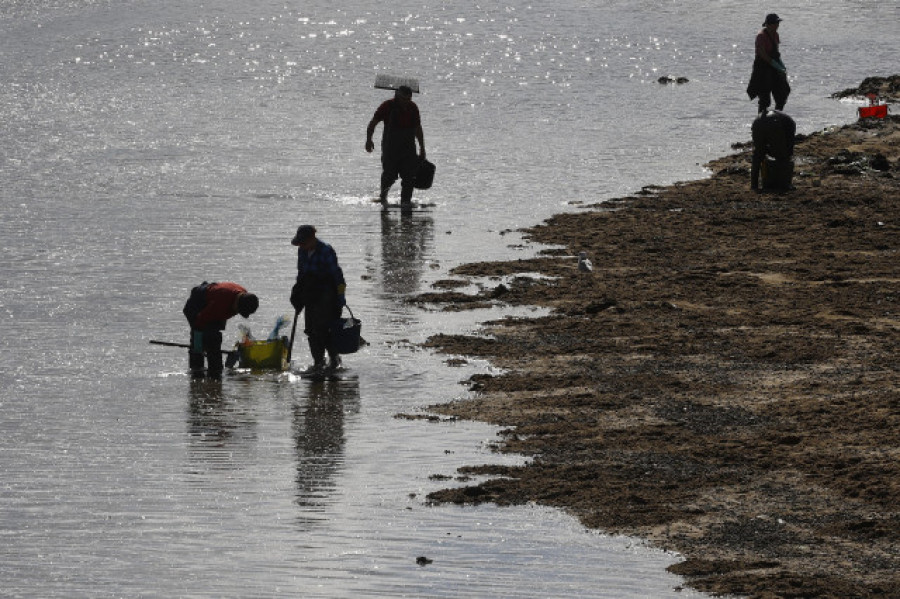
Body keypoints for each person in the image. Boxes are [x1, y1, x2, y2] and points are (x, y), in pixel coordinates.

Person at [289, 225, 346, 374]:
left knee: (323, 329)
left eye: (304, 243)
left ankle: (334, 360)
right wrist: (297, 293)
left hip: (327, 294)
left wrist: (341, 297)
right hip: (310, 293)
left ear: (312, 238)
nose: (301, 246)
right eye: (300, 243)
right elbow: (301, 274)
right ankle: (318, 363)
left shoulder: (326, 250)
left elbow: (337, 275)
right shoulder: (302, 250)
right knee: (310, 330)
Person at [365, 85, 426, 206]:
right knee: (389, 175)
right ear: (397, 96)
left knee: (409, 177)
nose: (406, 102)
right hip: (390, 148)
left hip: (408, 149)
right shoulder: (387, 106)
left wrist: (422, 148)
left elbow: (418, 129)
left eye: (409, 99)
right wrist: (368, 140)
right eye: (404, 99)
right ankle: (383, 199)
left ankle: (406, 202)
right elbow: (373, 123)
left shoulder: (413, 108)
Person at [183, 281, 258, 377]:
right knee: (201, 342)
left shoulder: (245, 297)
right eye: (239, 311)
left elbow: (221, 319)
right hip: (197, 302)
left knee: (214, 340)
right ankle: (197, 372)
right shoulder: (219, 303)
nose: (237, 313)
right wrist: (198, 344)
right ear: (237, 304)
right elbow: (199, 322)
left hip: (215, 297)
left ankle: (215, 372)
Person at [746, 13, 790, 115]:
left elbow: (776, 52)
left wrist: (781, 67)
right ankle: (762, 119)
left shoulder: (776, 35)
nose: (777, 25)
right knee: (765, 98)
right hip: (762, 68)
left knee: (783, 91)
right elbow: (763, 55)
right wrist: (775, 65)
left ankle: (777, 115)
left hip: (773, 66)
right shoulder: (761, 36)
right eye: (775, 23)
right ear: (768, 24)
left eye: (778, 23)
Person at [751, 109, 796, 192]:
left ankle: (754, 185)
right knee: (783, 157)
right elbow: (788, 150)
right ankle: (783, 184)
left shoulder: (787, 121)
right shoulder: (790, 125)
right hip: (774, 122)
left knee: (757, 155)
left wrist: (766, 150)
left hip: (757, 122)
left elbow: (763, 148)